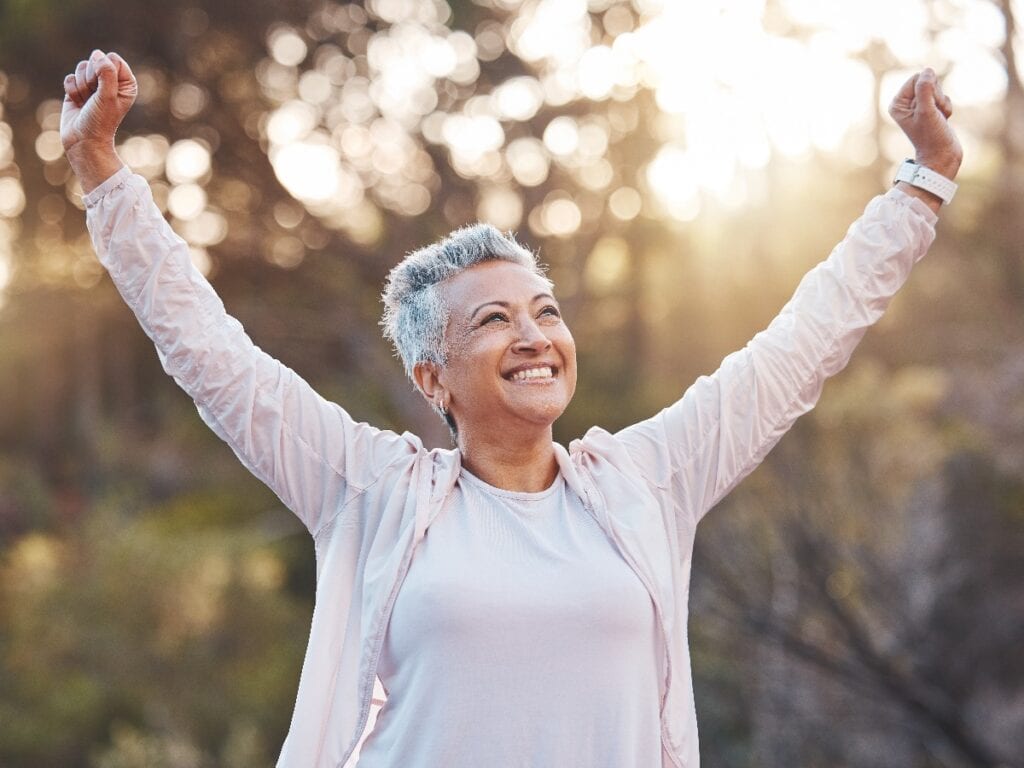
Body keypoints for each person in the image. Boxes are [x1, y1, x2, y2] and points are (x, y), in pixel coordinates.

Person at [62, 47, 961, 768]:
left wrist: (924, 184)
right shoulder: (371, 492)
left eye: (546, 312)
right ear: (431, 377)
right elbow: (211, 353)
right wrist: (102, 172)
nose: (534, 336)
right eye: (493, 320)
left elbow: (800, 345)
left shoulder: (647, 484)